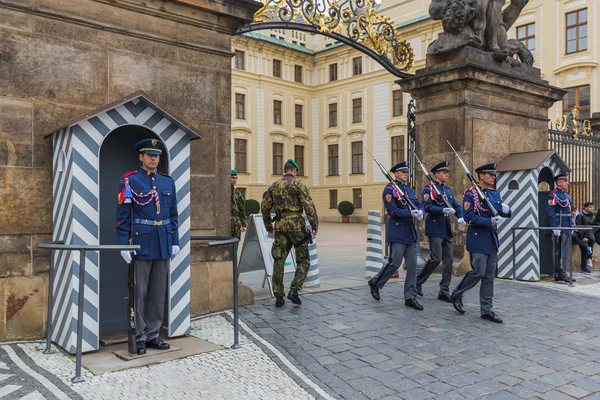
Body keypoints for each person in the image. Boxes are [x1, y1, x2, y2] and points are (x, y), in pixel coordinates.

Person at [116, 138, 180, 355]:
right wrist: (124, 244)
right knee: (140, 292)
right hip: (141, 243)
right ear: (141, 157)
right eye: (150, 154)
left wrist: (175, 241)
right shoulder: (130, 181)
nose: (154, 158)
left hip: (163, 241)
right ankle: (139, 336)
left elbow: (173, 215)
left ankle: (153, 334)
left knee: (157, 292)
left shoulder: (167, 181)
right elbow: (123, 216)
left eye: (157, 155)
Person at [450, 163, 510, 323]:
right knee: (478, 271)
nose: (493, 177)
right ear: (481, 176)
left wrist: (506, 210)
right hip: (478, 237)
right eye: (490, 175)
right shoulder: (471, 194)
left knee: (489, 276)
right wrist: (489, 221)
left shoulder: (495, 194)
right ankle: (457, 292)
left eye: (494, 175)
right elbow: (469, 216)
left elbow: (504, 212)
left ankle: (487, 310)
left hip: (491, 239)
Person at [368, 161, 425, 310]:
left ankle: (410, 297)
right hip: (398, 231)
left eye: (407, 172)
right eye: (404, 172)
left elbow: (418, 203)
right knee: (395, 263)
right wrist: (409, 212)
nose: (407, 174)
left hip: (410, 232)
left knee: (412, 265)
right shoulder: (389, 190)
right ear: (396, 173)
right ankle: (375, 282)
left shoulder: (408, 190)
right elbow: (392, 211)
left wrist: (420, 211)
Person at [261, 159, 318, 307]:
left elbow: (265, 208)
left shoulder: (274, 186)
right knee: (304, 260)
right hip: (297, 227)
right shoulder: (299, 184)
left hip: (280, 227)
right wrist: (314, 225)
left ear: (284, 170)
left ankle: (279, 297)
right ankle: (294, 289)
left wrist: (269, 227)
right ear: (295, 171)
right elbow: (309, 206)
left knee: (279, 261)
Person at [416, 161, 466, 303]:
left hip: (446, 229)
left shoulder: (448, 191)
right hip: (435, 227)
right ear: (437, 174)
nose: (447, 175)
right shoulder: (429, 189)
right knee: (436, 258)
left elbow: (456, 206)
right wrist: (442, 210)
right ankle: (417, 282)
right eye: (444, 173)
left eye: (447, 173)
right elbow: (426, 206)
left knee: (449, 261)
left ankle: (444, 290)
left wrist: (461, 216)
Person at [546, 172, 574, 282]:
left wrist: (571, 226)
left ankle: (563, 271)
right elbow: (550, 212)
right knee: (558, 251)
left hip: (567, 226)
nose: (567, 183)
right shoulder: (553, 195)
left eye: (566, 180)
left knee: (566, 250)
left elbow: (569, 212)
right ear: (558, 182)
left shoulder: (567, 195)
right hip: (559, 225)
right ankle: (558, 272)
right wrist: (554, 227)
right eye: (564, 181)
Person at [575, 202, 594, 273]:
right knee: (584, 245)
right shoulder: (580, 215)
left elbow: (585, 227)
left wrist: (585, 236)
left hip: (581, 234)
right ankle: (586, 247)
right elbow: (580, 227)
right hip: (574, 234)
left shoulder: (580, 215)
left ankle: (584, 266)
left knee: (584, 247)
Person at [230, 169, 247, 239]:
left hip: (236, 223)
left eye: (236, 178)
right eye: (232, 178)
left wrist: (243, 224)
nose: (235, 180)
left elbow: (241, 209)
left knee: (235, 243)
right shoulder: (224, 191)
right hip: (227, 222)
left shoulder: (237, 193)